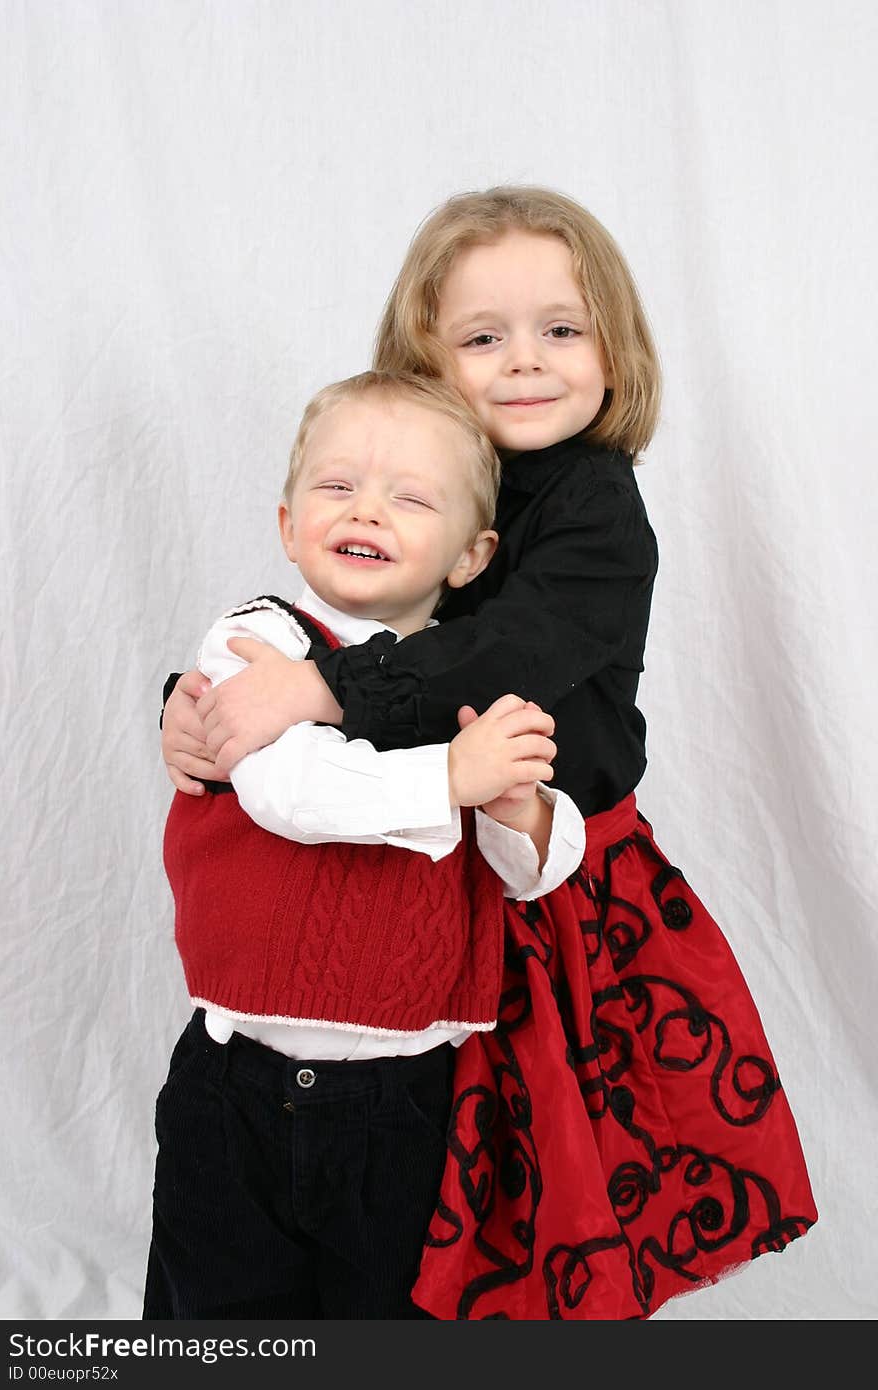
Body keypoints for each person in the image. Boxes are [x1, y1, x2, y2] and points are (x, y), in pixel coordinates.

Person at [161, 186, 819, 1320]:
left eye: (560, 329)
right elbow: (313, 621)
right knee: (411, 1173)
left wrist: (318, 689)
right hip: (410, 867)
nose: (523, 361)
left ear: (613, 351)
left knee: (529, 1183)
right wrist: (197, 702)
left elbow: (503, 648)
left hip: (553, 871)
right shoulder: (411, 479)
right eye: (480, 337)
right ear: (425, 357)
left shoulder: (598, 508)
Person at [145, 369, 586, 1321]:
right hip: (240, 1087)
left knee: (383, 1319)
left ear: (471, 557)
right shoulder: (257, 642)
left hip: (409, 1100)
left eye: (411, 497)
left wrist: (519, 812)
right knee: (216, 1319)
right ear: (288, 520)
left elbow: (529, 874)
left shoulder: (465, 675)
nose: (368, 510)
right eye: (338, 486)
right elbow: (288, 790)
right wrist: (449, 780)